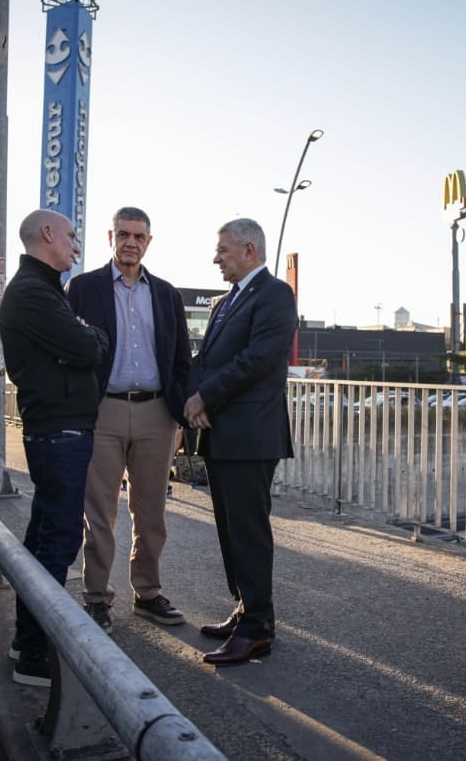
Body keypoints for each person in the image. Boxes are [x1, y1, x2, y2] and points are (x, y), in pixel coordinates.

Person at [66, 207, 192, 632]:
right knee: (99, 511)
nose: (131, 242)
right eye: (124, 234)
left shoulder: (167, 294)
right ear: (111, 237)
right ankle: (97, 598)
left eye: (139, 236)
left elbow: (181, 359)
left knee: (151, 510)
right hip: (104, 411)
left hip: (157, 414)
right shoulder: (83, 288)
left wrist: (182, 409)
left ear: (149, 242)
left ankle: (148, 592)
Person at [0, 209, 108, 687]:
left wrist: (86, 337)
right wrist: (88, 337)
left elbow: (84, 342)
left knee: (47, 536)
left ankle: (28, 639)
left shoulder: (44, 291)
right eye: (71, 236)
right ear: (47, 235)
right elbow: (89, 347)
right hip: (59, 432)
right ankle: (35, 654)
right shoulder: (31, 294)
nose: (76, 246)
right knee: (58, 540)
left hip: (62, 428)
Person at [184, 218, 297, 666]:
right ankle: (245, 607)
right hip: (221, 434)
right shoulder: (225, 301)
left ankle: (257, 629)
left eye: (223, 250)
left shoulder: (274, 295)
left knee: (249, 532)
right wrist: (192, 399)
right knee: (230, 531)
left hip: (251, 437)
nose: (216, 258)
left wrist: (204, 395)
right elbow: (207, 358)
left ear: (249, 250)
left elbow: (256, 361)